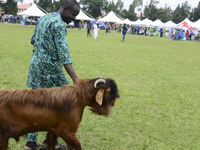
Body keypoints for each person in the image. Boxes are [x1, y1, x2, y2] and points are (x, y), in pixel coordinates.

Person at [25, 0, 80, 150]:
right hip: (50, 69)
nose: (74, 18)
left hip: (35, 66)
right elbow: (64, 55)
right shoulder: (59, 24)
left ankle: (30, 143)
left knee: (35, 103)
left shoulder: (44, 18)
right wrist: (76, 79)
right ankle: (53, 141)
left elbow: (32, 40)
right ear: (65, 8)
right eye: (73, 14)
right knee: (62, 100)